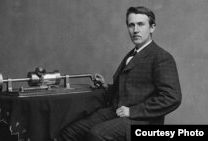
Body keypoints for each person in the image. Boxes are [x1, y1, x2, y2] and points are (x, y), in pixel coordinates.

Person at [55, 6, 182, 141]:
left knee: (97, 134)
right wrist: (107, 87)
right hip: (117, 112)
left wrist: (132, 111)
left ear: (152, 28)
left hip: (143, 120)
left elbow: (172, 98)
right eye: (131, 25)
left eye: (140, 24)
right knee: (71, 132)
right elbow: (130, 90)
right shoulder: (132, 54)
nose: (135, 30)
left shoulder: (161, 57)